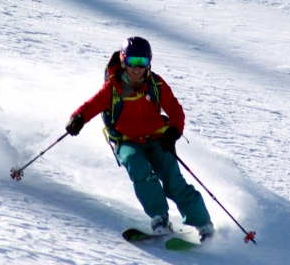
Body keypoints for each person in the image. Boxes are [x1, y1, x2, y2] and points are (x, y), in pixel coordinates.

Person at [65, 36, 214, 239]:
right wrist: (78, 118)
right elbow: (92, 105)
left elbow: (176, 111)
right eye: (131, 61)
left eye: (142, 62)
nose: (136, 68)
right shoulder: (113, 88)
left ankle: (203, 223)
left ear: (149, 62)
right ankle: (160, 218)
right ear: (123, 60)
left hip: (158, 138)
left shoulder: (156, 84)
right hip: (127, 141)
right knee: (139, 169)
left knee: (173, 179)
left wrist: (172, 133)